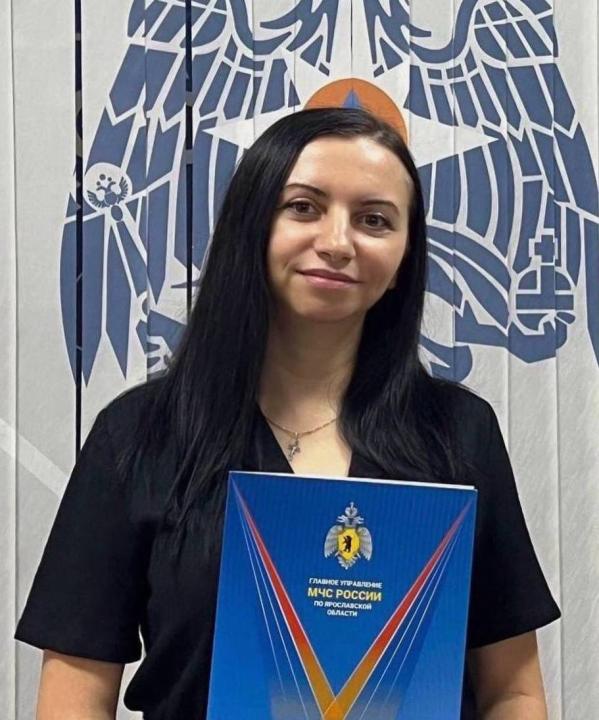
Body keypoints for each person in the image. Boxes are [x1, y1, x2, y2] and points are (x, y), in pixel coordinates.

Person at [15, 107, 560, 719]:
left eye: (374, 219)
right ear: (252, 225)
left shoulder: (459, 433)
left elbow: (513, 691)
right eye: (303, 207)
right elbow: (74, 697)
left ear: (405, 257)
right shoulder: (139, 435)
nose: (337, 243)